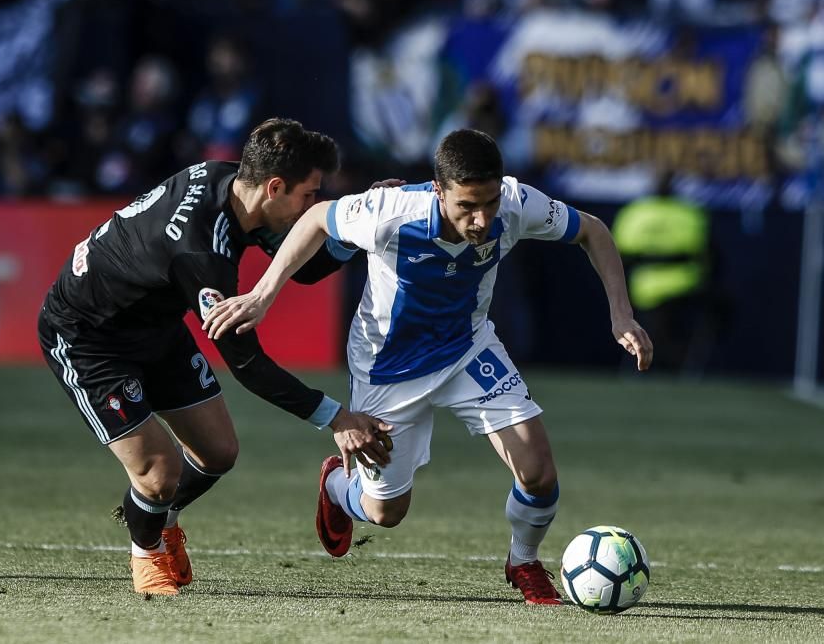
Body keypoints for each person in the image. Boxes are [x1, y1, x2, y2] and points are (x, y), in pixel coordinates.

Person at [203, 129, 653, 605]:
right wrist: (263, 293)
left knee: (538, 472)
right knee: (385, 512)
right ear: (438, 190)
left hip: (467, 349)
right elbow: (316, 217)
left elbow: (593, 231)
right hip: (388, 365)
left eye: (490, 202)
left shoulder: (517, 203)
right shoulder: (391, 213)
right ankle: (337, 485)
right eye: (466, 206)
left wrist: (621, 314)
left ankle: (523, 559)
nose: (481, 220)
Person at [37, 118, 393, 596]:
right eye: (309, 195)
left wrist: (360, 226)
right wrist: (336, 418)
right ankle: (147, 556)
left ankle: (161, 520)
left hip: (155, 329)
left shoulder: (232, 184)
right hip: (88, 338)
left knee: (218, 452)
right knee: (159, 472)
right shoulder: (200, 251)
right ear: (275, 187)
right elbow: (246, 363)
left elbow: (303, 268)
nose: (313, 206)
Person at [611, 172, 715, 375]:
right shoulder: (690, 212)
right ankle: (676, 362)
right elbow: (705, 253)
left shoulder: (634, 212)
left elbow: (619, 254)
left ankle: (649, 360)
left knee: (659, 325)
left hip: (646, 286)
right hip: (684, 285)